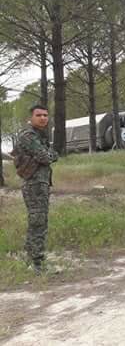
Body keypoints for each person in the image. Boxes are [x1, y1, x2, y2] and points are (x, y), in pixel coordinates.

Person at [12, 104, 58, 274]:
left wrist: (49, 155)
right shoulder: (28, 136)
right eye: (39, 115)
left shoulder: (40, 136)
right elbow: (46, 157)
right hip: (34, 185)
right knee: (38, 222)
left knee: (39, 221)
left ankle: (33, 256)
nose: (43, 118)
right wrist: (49, 155)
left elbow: (53, 155)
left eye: (45, 115)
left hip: (41, 184)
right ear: (31, 117)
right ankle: (37, 262)